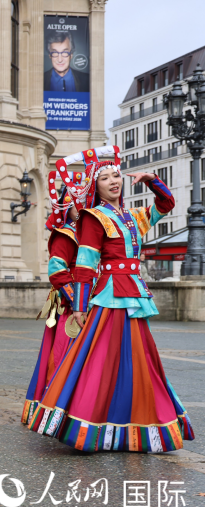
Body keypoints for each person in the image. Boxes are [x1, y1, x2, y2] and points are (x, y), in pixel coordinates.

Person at [27, 146, 195, 452]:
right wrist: (78, 306)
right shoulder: (93, 217)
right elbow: (85, 264)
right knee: (100, 359)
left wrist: (151, 179)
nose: (113, 181)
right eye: (105, 178)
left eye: (116, 175)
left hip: (133, 294)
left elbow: (167, 203)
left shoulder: (133, 218)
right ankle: (83, 424)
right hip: (109, 296)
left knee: (138, 361)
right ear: (96, 187)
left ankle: (130, 424)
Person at [22, 170, 82, 425]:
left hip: (99, 303)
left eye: (86, 201)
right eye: (75, 203)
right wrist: (80, 303)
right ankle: (55, 408)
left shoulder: (99, 232)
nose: (80, 208)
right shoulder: (66, 234)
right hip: (72, 307)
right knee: (63, 355)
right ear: (66, 208)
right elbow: (57, 272)